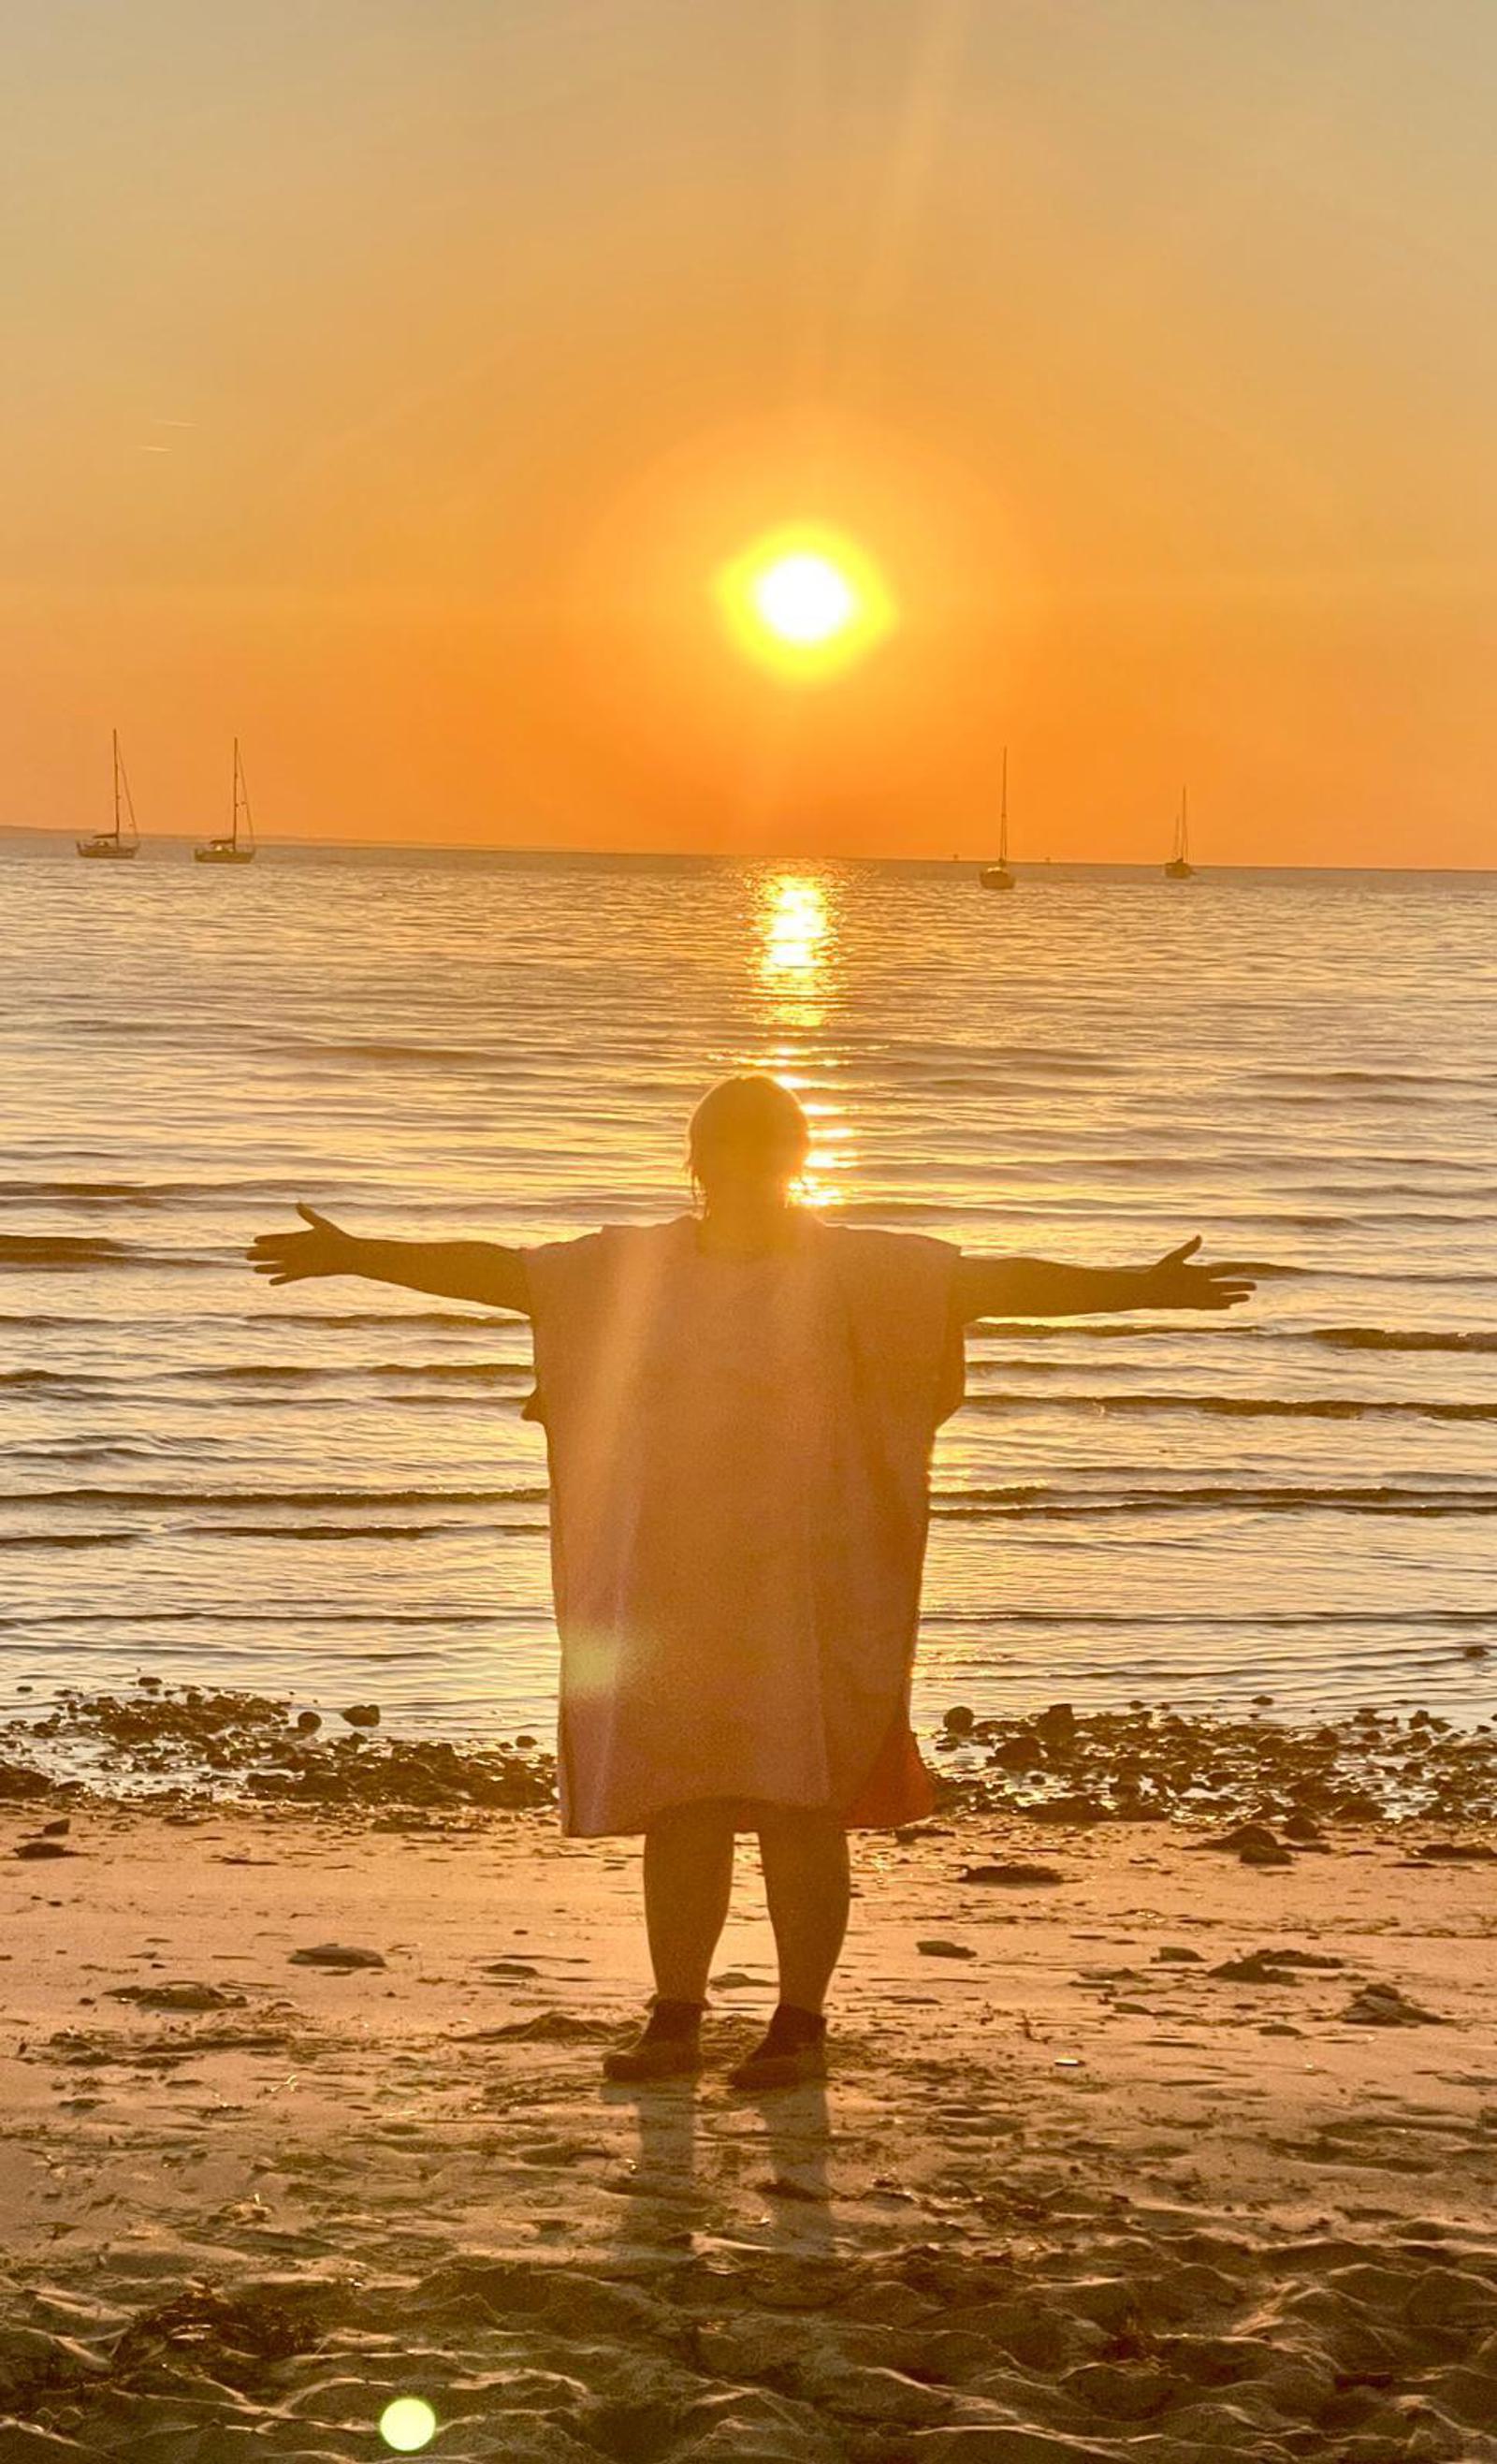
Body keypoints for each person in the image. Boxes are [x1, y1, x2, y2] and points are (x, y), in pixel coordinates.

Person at [248, 1073, 1252, 2090]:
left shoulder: (862, 1268)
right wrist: (357, 1254)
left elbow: (993, 1283)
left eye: (763, 1151)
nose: (743, 1170)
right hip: (668, 1576)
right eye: (725, 1151)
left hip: (807, 1579)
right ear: (697, 1161)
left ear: (793, 1161)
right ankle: (675, 2012)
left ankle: (797, 2024)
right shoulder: (629, 1268)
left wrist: (1136, 1284)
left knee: (797, 1800)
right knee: (680, 1801)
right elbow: (504, 1273)